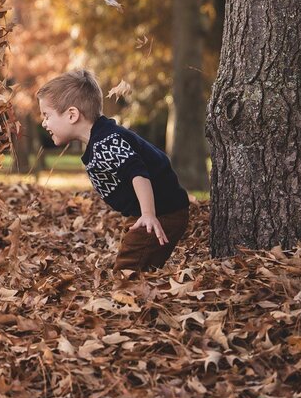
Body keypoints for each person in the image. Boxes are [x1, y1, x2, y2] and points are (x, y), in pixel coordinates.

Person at [36, 70, 191, 272]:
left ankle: (128, 298)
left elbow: (138, 173)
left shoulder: (107, 142)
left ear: (72, 115)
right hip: (152, 212)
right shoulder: (101, 138)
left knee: (129, 270)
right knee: (139, 262)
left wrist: (148, 214)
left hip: (161, 213)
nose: (43, 123)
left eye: (46, 116)